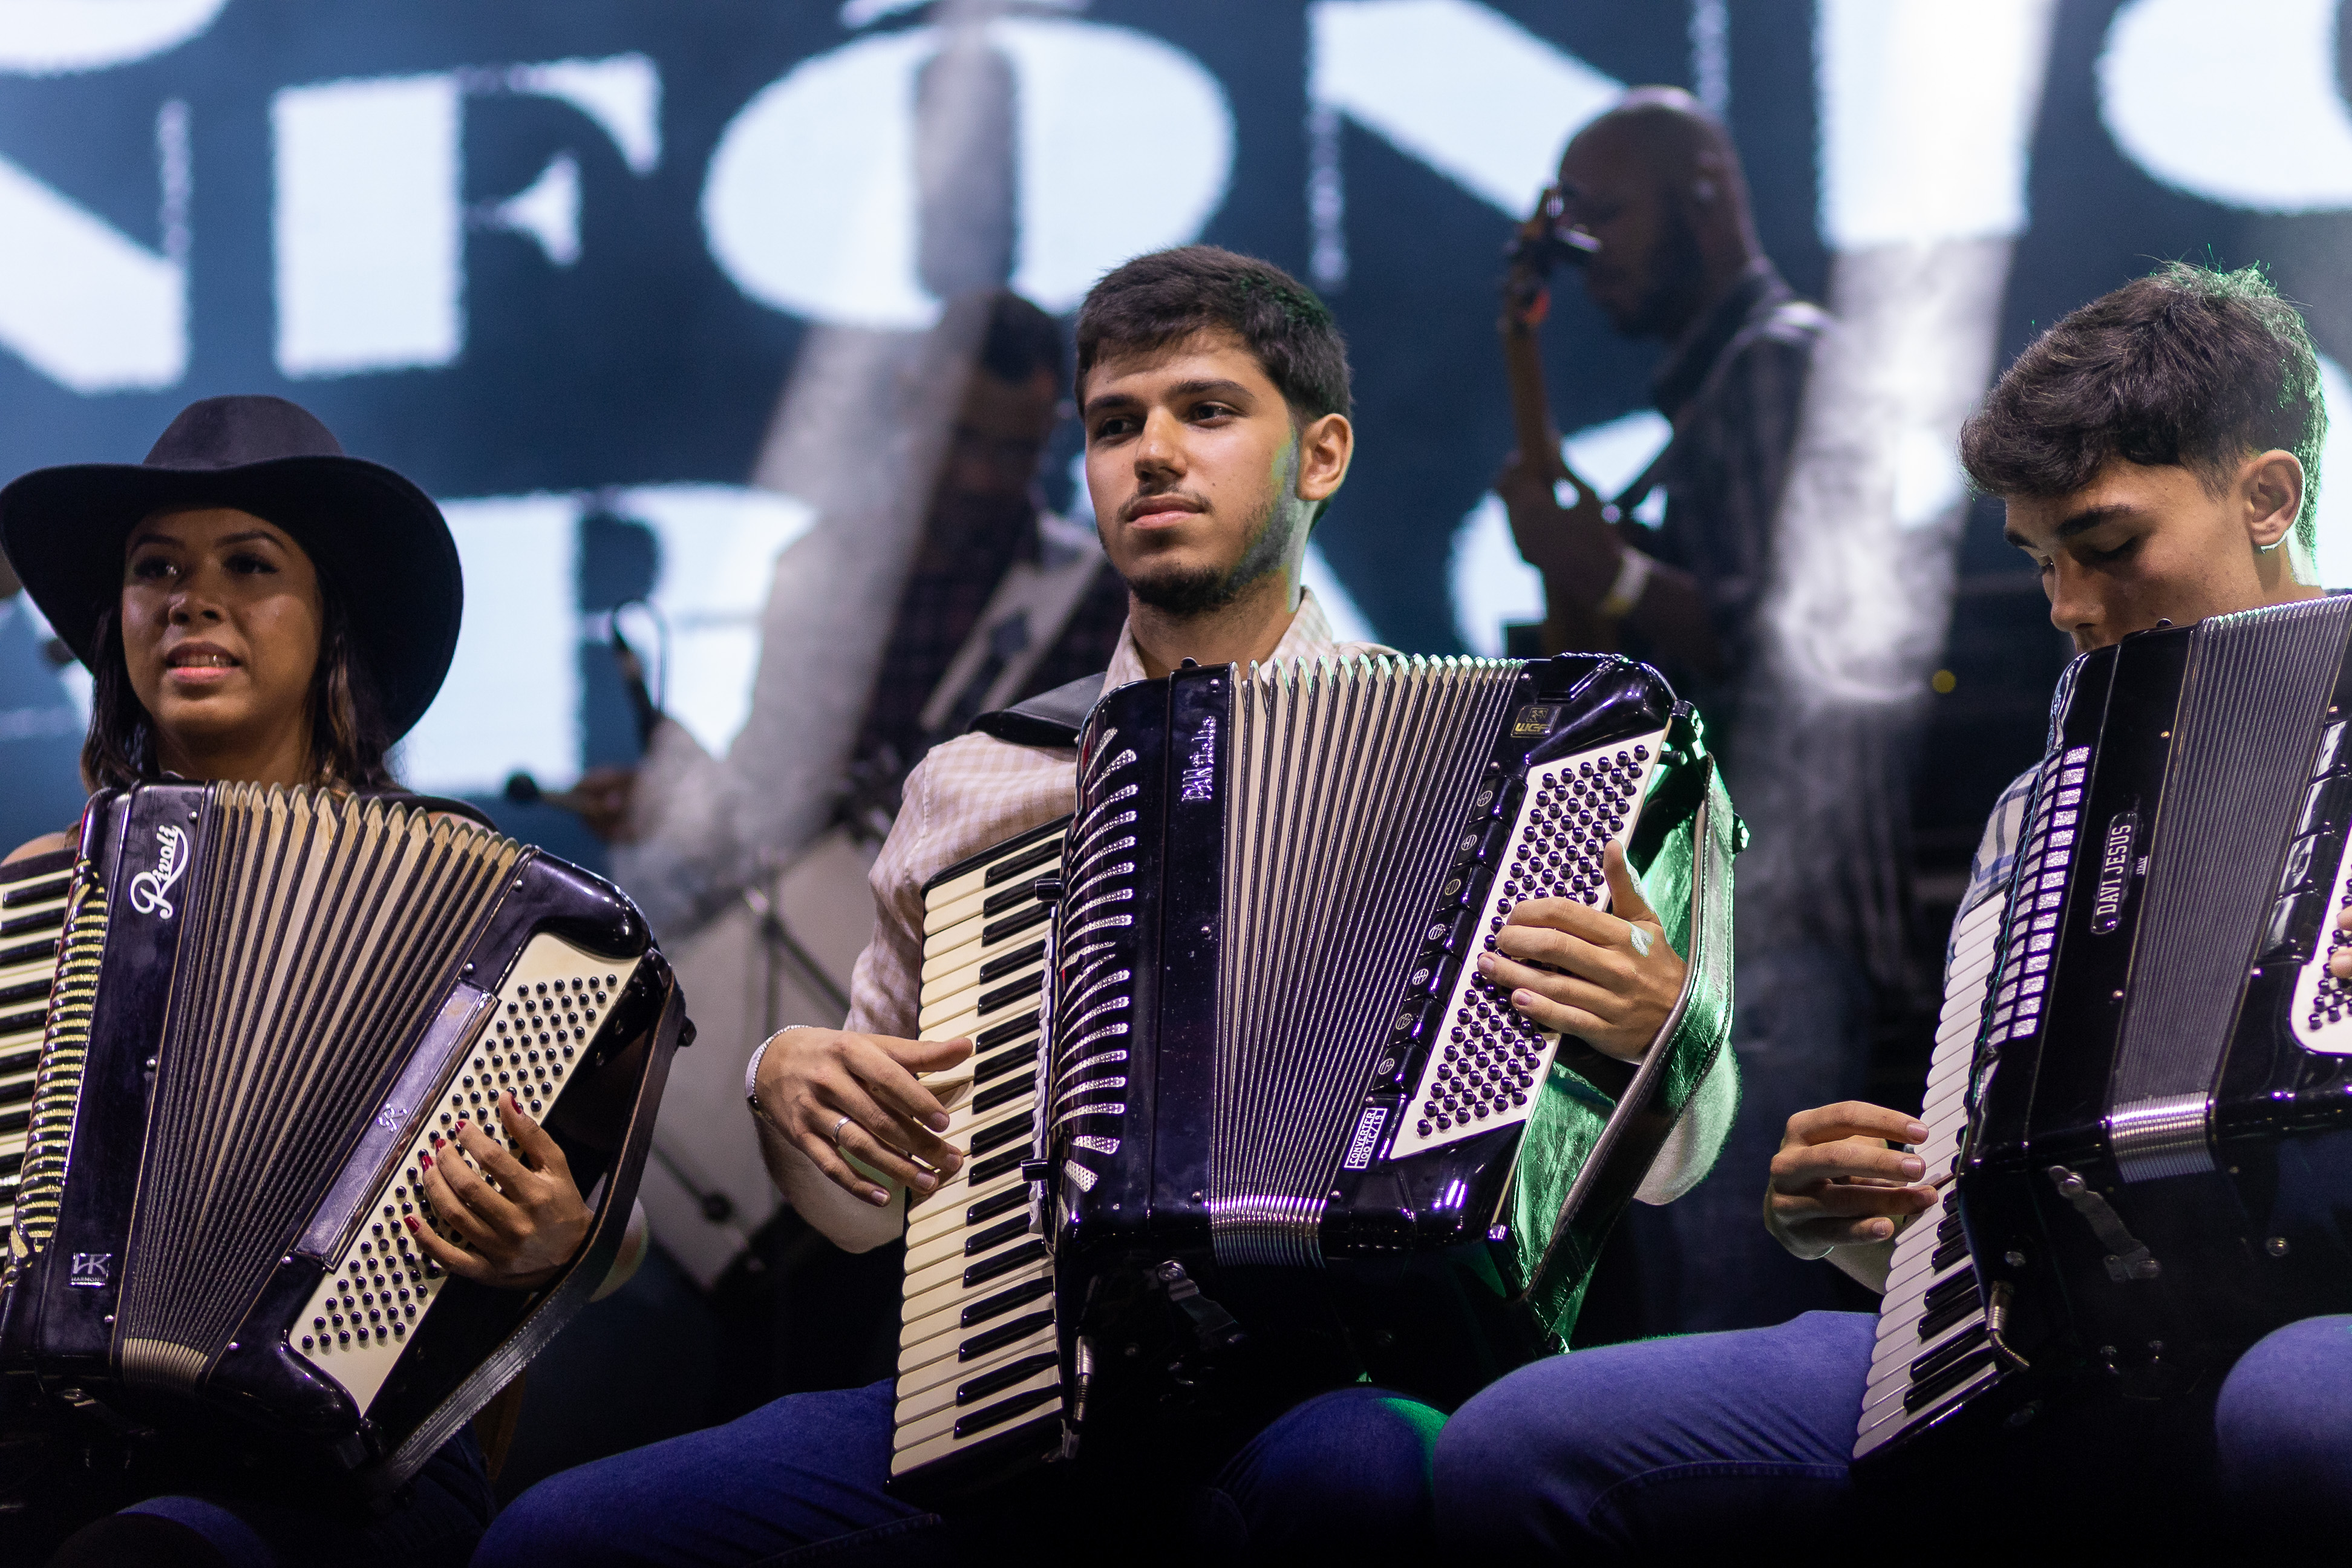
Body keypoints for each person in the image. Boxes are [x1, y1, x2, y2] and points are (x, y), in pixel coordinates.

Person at [475, 246, 1728, 1566]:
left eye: (1208, 410)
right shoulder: (980, 782)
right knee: (556, 1537)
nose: (1153, 454)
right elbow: (866, 1211)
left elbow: (1674, 1169)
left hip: (1338, 1383)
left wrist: (1664, 1028)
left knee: (1369, 1469)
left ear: (1323, 457)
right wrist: (789, 1080)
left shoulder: (1496, 760)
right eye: (1116, 425)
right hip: (1029, 1393)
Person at [1433, 264, 2352, 1557]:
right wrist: (1888, 1243)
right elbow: (2028, 1210)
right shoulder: (2043, 812)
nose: (2071, 611)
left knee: (2296, 1403)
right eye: (2041, 564)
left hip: (2316, 1341)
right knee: (1519, 1444)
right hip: (2069, 1356)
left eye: (2107, 546)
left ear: (2267, 496)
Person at [0, 395, 627, 1567]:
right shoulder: (43, 891)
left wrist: (561, 1241)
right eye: (157, 569)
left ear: (332, 617)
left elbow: (604, 1215)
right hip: (51, 1443)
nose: (194, 598)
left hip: (334, 1465)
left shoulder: (470, 898)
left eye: (249, 564)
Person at [1498, 85, 1900, 1335]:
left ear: (1707, 198)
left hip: (1777, 919)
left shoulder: (1780, 363)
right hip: (1723, 930)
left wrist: (1605, 569)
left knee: (1734, 1324)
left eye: (1606, 217)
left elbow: (1799, 634)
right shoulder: (1725, 385)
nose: (1589, 255)